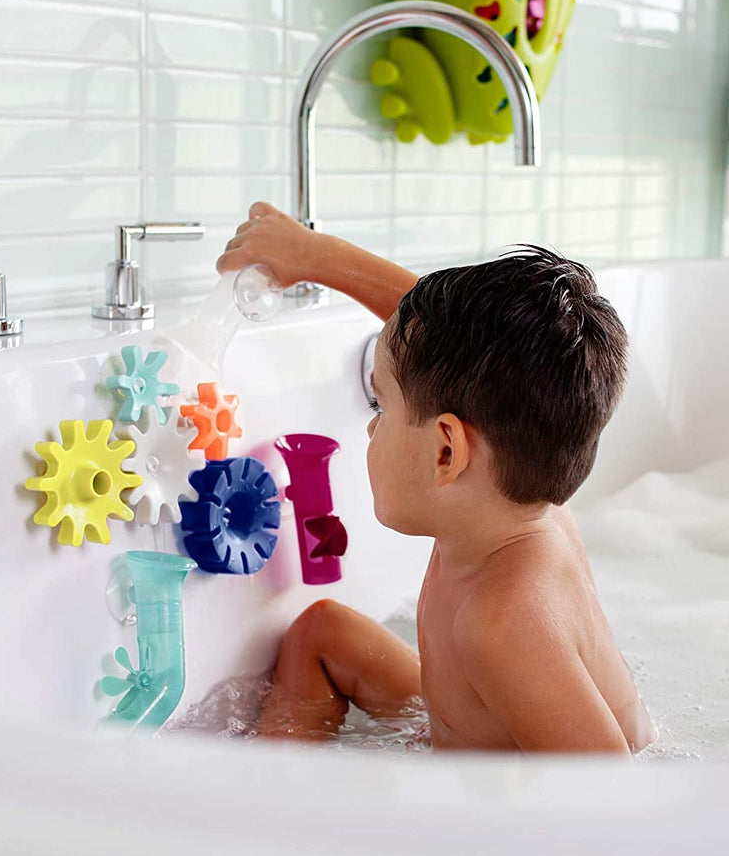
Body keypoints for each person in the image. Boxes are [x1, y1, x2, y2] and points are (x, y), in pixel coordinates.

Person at [219, 202, 654, 754]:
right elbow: (441, 347)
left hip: (501, 799)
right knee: (319, 634)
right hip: (468, 730)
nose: (371, 426)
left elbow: (611, 796)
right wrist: (316, 258)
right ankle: (277, 797)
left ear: (446, 451)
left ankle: (282, 827)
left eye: (382, 405)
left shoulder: (506, 624)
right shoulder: (513, 494)